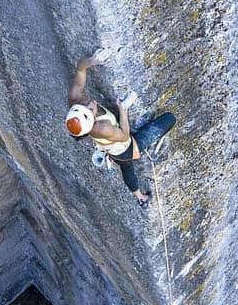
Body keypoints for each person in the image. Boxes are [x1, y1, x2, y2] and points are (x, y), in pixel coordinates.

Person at [65, 50, 175, 208]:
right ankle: (141, 197)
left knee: (126, 169)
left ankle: (140, 198)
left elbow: (81, 68)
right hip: (124, 149)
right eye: (90, 110)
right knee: (170, 119)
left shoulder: (75, 98)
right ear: (92, 122)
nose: (89, 103)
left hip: (110, 145)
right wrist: (123, 109)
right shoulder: (102, 128)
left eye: (84, 105)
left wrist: (94, 60)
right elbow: (124, 136)